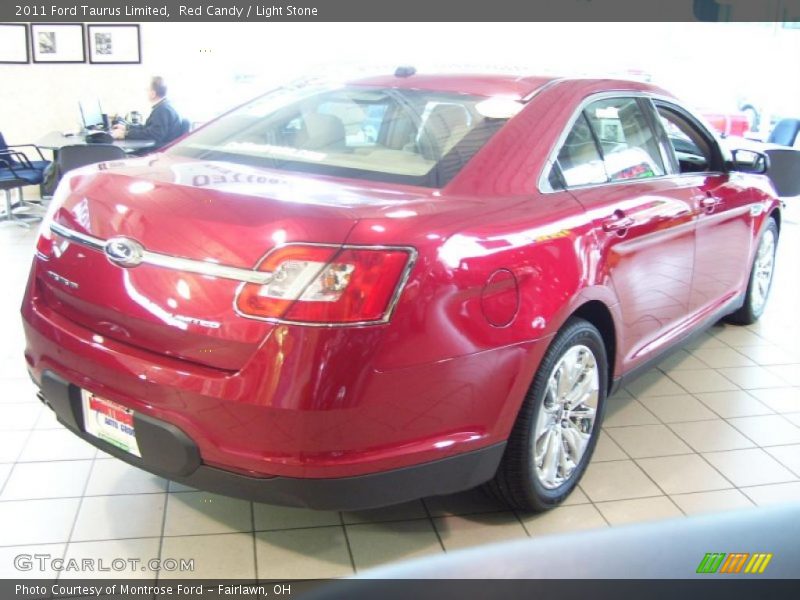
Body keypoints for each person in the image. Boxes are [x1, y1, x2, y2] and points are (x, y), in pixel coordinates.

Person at [111, 76, 184, 149]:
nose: (146, 92)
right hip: (163, 147)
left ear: (153, 94)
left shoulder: (162, 110)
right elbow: (149, 129)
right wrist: (127, 127)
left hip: (158, 151)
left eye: (147, 90)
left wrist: (125, 134)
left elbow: (153, 135)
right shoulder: (164, 106)